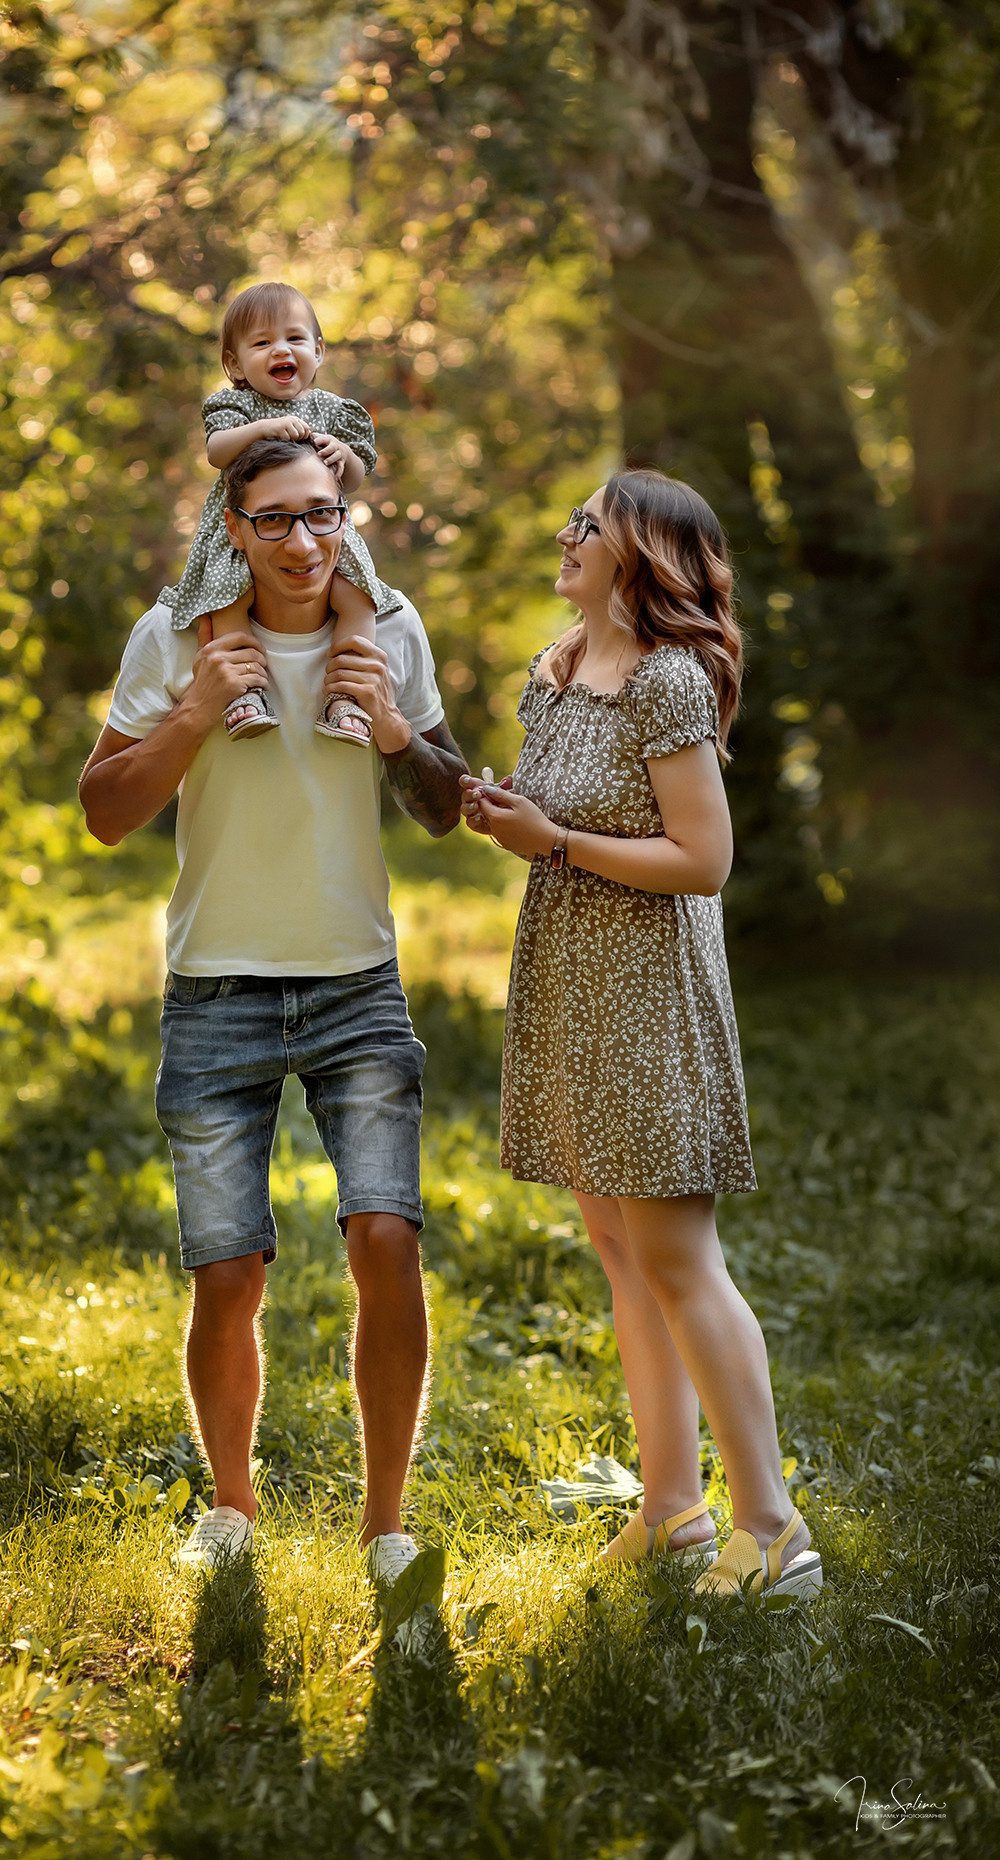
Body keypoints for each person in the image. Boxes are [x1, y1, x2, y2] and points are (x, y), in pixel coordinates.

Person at [79, 436, 468, 1588]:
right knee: (228, 1273)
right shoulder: (175, 638)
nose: (304, 541)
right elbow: (103, 810)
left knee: (386, 1238)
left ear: (346, 516)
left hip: (357, 983)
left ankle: (385, 1525)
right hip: (217, 991)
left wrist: (395, 732)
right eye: (276, 520)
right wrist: (195, 713)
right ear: (233, 531)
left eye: (322, 514)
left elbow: (443, 805)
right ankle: (232, 1508)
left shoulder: (388, 629)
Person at [461, 469, 822, 1602]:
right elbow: (560, 815)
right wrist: (514, 816)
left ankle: (772, 1530)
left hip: (649, 992)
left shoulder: (668, 679)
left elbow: (702, 860)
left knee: (677, 1256)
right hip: (573, 985)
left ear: (643, 553)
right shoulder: (559, 668)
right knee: (621, 1250)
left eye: (589, 524)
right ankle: (672, 1511)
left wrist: (555, 843)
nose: (565, 535)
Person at [162, 279, 401, 747]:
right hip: (246, 535)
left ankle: (345, 698)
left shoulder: (333, 410)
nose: (281, 350)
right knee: (230, 599)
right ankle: (244, 694)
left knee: (358, 598)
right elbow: (216, 451)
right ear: (235, 364)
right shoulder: (236, 405)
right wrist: (263, 428)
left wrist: (342, 455)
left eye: (294, 338)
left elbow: (355, 476)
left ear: (318, 350)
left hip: (322, 530)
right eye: (262, 343)